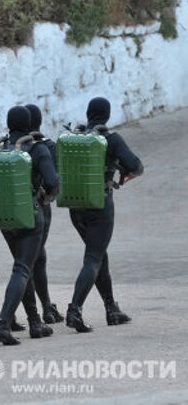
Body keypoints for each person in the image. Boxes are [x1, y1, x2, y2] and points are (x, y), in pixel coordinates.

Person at [66, 97, 143, 332]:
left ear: (88, 114)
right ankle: (74, 310)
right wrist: (125, 173)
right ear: (107, 115)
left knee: (98, 255)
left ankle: (111, 309)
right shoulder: (110, 138)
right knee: (93, 258)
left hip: (75, 207)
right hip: (100, 207)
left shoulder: (75, 139)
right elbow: (136, 166)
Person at [0, 106, 59, 346]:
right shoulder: (37, 148)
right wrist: (45, 195)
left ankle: (34, 321)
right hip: (31, 216)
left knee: (24, 266)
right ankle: (2, 323)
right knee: (22, 268)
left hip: (5, 218)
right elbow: (52, 182)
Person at [26, 104, 64, 324]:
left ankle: (43, 307)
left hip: (14, 210)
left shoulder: (9, 147)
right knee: (34, 260)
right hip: (40, 207)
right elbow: (54, 180)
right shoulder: (46, 146)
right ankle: (42, 309)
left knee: (27, 260)